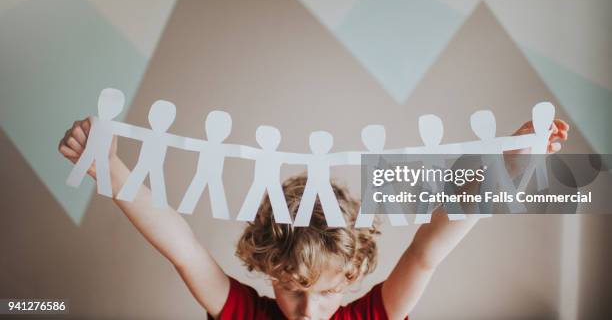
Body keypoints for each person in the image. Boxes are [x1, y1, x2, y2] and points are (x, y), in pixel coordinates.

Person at [58, 116, 569, 320]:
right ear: (267, 273)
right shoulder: (246, 314)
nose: (308, 312)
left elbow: (428, 247)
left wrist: (507, 167)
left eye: (327, 293)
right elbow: (182, 248)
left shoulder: (372, 315)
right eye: (293, 289)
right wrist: (112, 170)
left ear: (353, 276)